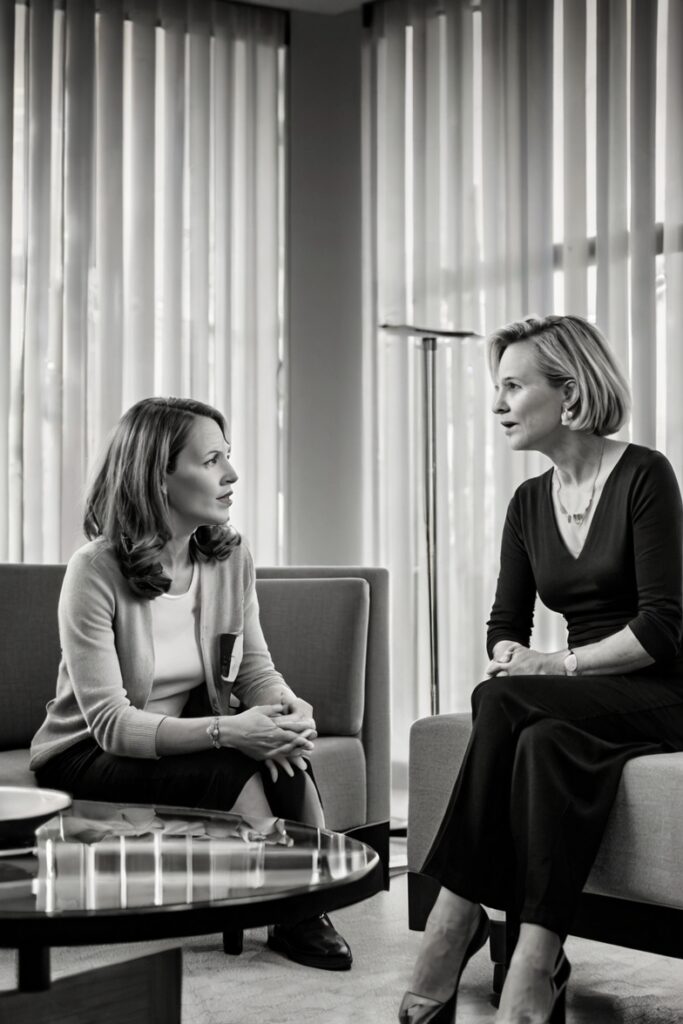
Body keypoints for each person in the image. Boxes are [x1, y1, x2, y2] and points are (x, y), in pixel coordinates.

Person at [399, 314, 683, 1024]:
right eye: (496, 388)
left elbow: (661, 627)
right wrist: (513, 659)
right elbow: (505, 626)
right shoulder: (529, 501)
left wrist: (555, 666)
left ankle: (454, 915)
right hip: (585, 699)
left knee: (500, 704)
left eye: (512, 386)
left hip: (663, 688)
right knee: (541, 737)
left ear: (570, 392)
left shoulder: (644, 474)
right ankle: (536, 956)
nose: (497, 404)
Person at [30, 396, 352, 971]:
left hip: (183, 727)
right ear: (158, 476)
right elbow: (111, 724)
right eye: (211, 461)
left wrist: (286, 709)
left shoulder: (229, 557)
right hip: (85, 752)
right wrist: (230, 732)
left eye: (228, 456)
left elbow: (252, 667)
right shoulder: (95, 570)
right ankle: (288, 905)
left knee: (285, 751)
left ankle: (304, 906)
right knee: (232, 763)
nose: (232, 475)